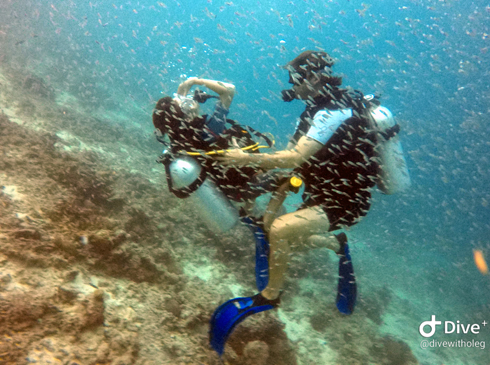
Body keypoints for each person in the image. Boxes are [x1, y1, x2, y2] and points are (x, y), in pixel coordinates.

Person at [209, 50, 407, 355]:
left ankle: (271, 295)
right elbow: (288, 158)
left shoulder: (334, 111)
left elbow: (294, 157)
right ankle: (335, 244)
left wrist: (245, 158)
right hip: (323, 189)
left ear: (312, 78)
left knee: (280, 232)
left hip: (345, 199)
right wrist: (246, 158)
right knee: (272, 227)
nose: (292, 84)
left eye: (294, 78)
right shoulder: (312, 112)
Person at [152, 77, 284, 234]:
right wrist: (195, 80)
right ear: (185, 115)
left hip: (233, 184)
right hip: (243, 185)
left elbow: (177, 102)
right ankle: (267, 227)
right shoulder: (209, 130)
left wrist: (184, 88)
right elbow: (229, 90)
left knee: (258, 172)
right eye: (185, 103)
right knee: (286, 178)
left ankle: (250, 215)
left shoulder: (182, 137)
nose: (188, 100)